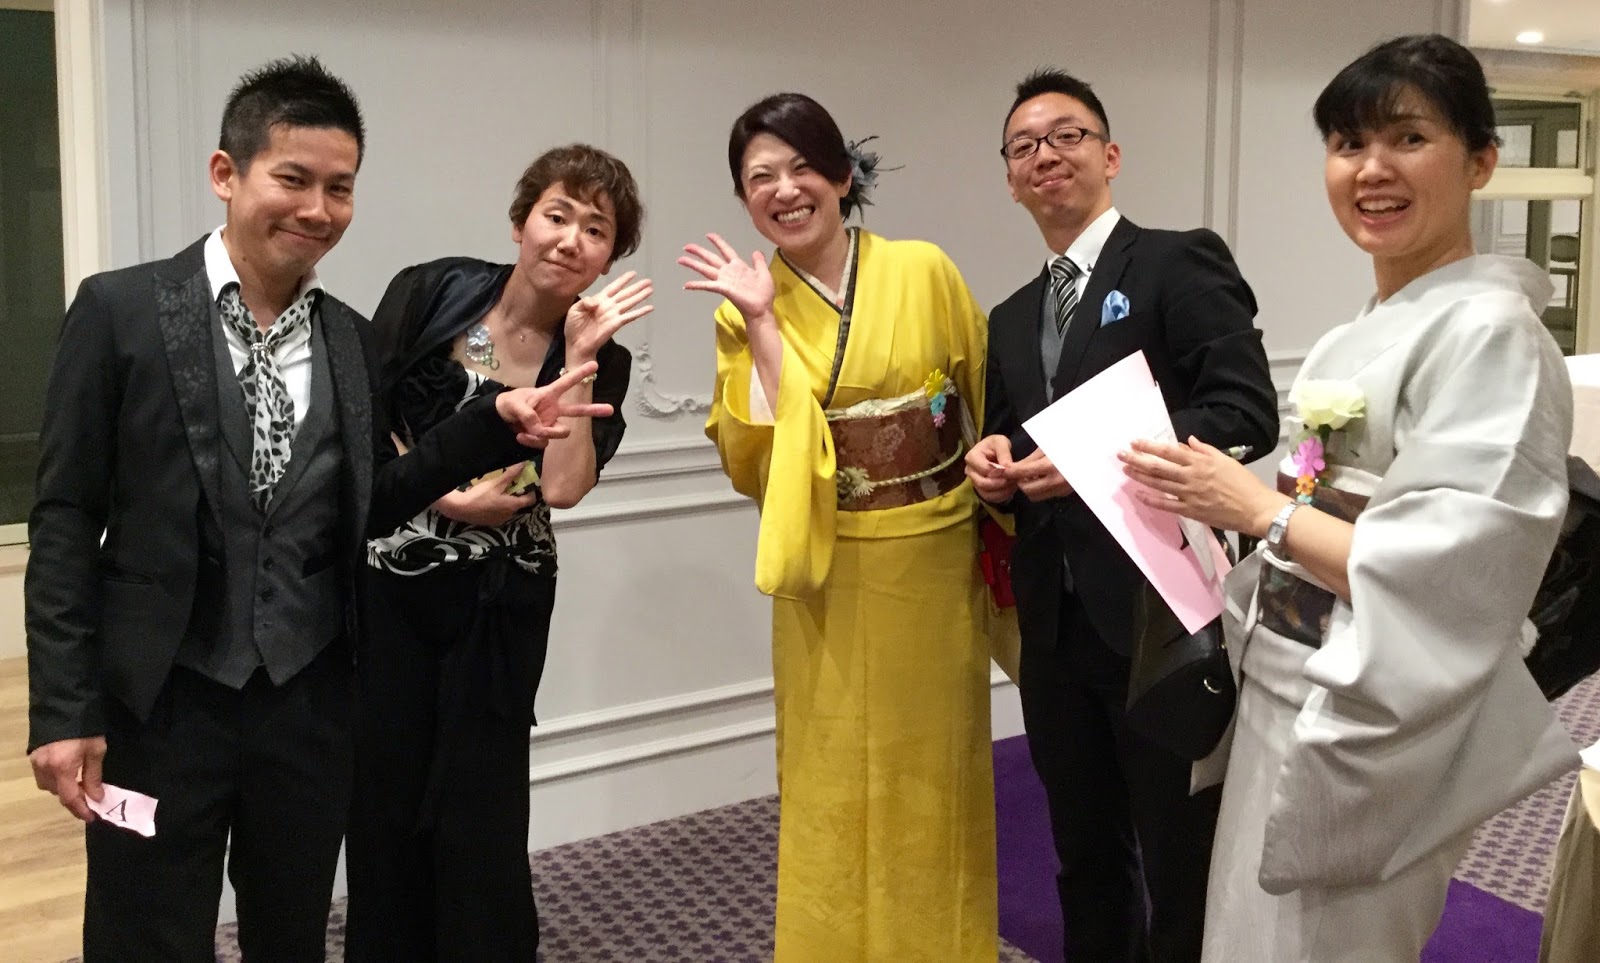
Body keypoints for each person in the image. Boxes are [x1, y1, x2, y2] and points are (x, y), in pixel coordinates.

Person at [23, 56, 602, 962]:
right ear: (227, 173)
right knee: (145, 934)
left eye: (340, 187)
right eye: (293, 179)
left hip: (308, 705)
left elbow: (373, 501)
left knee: (291, 934)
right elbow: (63, 518)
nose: (318, 209)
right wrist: (64, 709)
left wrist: (490, 423)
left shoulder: (350, 339)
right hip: (157, 705)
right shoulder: (120, 311)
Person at [1119, 34, 1580, 960]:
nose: (1372, 169)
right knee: (1248, 931)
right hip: (1287, 676)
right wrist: (1234, 505)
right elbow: (1312, 500)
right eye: (1347, 143)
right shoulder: (1362, 329)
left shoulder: (1494, 335)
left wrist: (1263, 512)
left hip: (1376, 704)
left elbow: (1452, 569)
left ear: (1481, 160)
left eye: (1408, 138)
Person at [964, 68, 1279, 960]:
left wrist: (1097, 458)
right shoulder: (1011, 316)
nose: (1045, 154)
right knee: (1084, 852)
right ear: (1010, 178)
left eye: (1066, 135)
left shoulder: (1177, 261)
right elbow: (1012, 434)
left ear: (1109, 156)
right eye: (1024, 146)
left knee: (1179, 854)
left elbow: (1245, 413)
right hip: (1055, 627)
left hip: (1162, 612)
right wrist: (991, 461)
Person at [679, 92, 998, 960]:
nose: (784, 190)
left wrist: (1003, 475)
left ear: (843, 176)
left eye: (802, 168)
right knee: (829, 768)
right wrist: (759, 319)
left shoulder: (923, 269)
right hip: (828, 560)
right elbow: (757, 453)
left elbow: (986, 392)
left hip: (934, 552)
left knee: (936, 766)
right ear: (744, 198)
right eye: (760, 178)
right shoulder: (744, 304)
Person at [345, 144, 645, 961]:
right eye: (557, 215)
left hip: (502, 600)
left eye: (596, 229)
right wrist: (446, 495)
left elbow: (566, 487)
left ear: (609, 258)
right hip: (393, 580)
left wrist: (578, 360)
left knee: (481, 800)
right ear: (521, 222)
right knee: (385, 787)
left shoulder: (605, 355)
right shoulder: (434, 291)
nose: (570, 239)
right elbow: (366, 416)